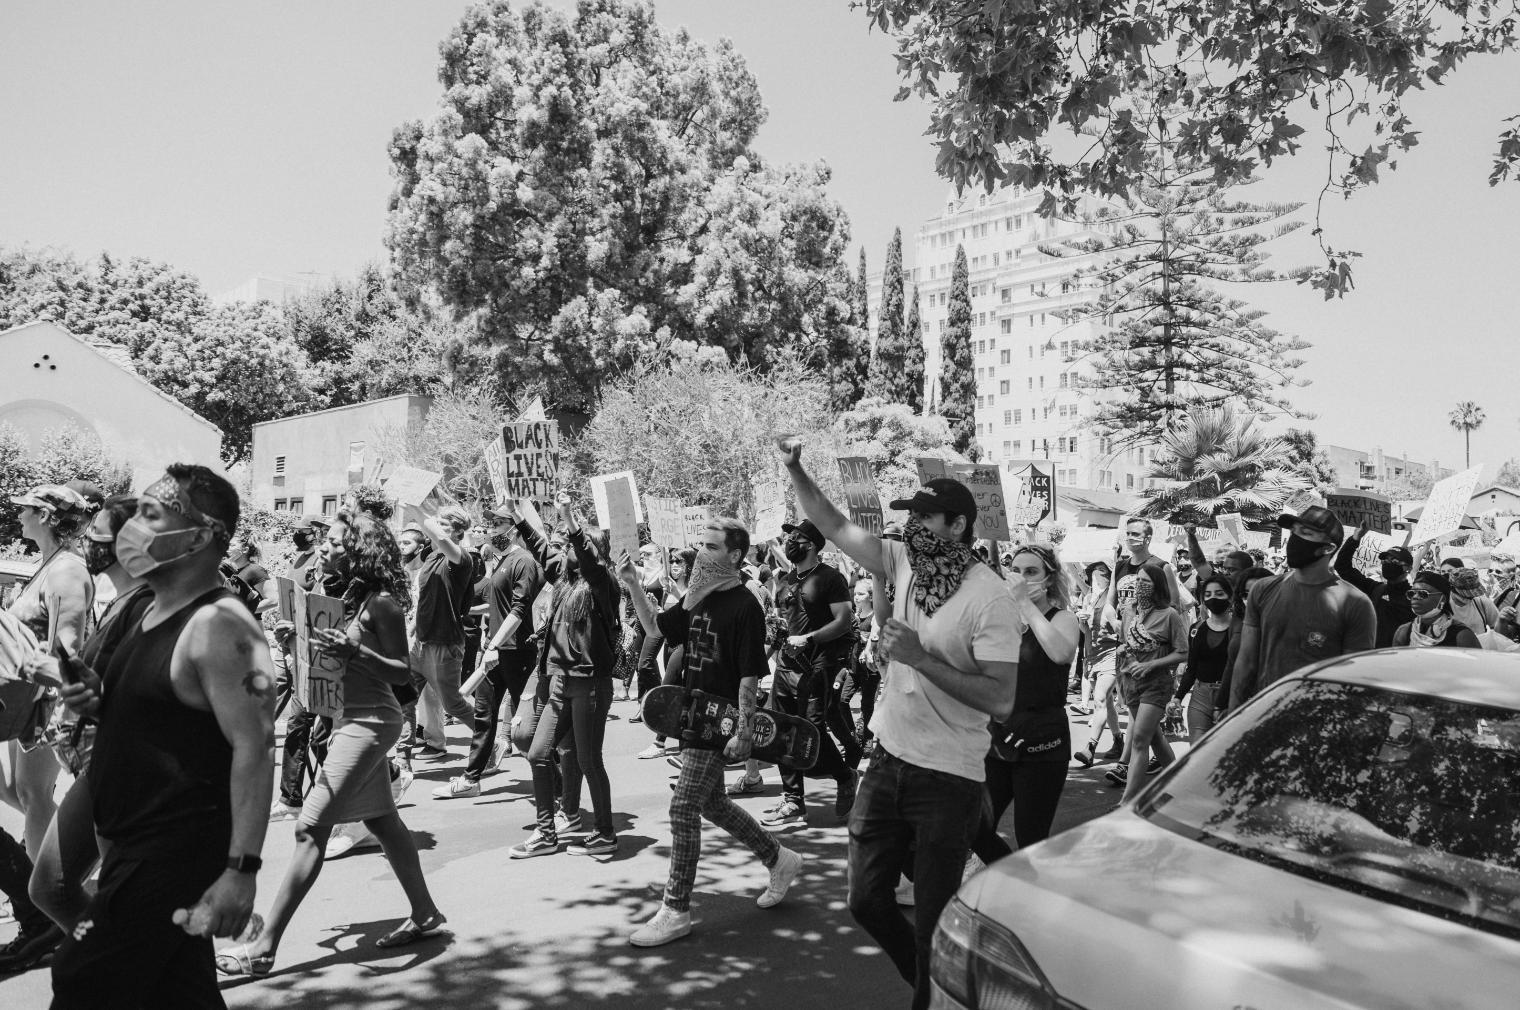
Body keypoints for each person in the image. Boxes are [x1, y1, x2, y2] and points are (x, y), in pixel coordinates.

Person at [779, 440, 1022, 1010]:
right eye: (910, 515)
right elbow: (832, 523)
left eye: (926, 517)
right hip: (888, 760)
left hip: (950, 778)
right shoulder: (901, 559)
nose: (912, 526)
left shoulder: (991, 599)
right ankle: (936, 989)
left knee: (935, 924)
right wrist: (795, 468)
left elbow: (1002, 700)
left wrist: (918, 657)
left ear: (958, 526)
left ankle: (934, 996)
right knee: (866, 901)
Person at [48, 465, 276, 1009]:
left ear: (198, 536)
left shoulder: (221, 625)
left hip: (170, 858)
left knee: (79, 977)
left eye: (151, 515)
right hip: (131, 846)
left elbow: (256, 746)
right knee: (183, 995)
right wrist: (96, 697)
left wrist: (241, 871)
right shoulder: (151, 610)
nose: (131, 529)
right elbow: (160, 711)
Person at [215, 512, 445, 977]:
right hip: (345, 718)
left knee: (309, 828)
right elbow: (326, 665)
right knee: (383, 822)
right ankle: (425, 914)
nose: (324, 547)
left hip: (372, 722)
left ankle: (263, 947)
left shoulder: (382, 603)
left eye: (336, 543)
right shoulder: (342, 597)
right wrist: (293, 641)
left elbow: (402, 672)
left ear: (359, 550)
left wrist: (356, 650)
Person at [618, 517, 803, 947]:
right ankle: (779, 858)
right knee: (712, 803)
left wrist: (744, 731)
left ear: (735, 555)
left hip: (722, 723)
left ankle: (676, 909)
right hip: (693, 717)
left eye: (712, 546)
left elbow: (749, 675)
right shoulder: (696, 597)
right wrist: (631, 583)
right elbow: (654, 628)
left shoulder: (745, 605)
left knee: (683, 807)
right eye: (701, 544)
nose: (702, 552)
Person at [26, 496, 154, 938]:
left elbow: (138, 694)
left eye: (96, 534)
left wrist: (54, 672)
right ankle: (113, 957)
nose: (86, 540)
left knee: (127, 894)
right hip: (98, 763)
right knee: (49, 887)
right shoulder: (122, 601)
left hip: (121, 768)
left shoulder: (147, 606)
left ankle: (131, 963)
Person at [508, 494, 620, 859]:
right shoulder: (563, 578)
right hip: (558, 682)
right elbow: (542, 548)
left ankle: (605, 833)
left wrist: (570, 518)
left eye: (572, 544)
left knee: (589, 761)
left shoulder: (602, 584)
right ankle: (546, 834)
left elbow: (588, 559)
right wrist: (517, 516)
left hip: (589, 685)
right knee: (538, 754)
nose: (565, 549)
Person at [3, 485, 94, 859]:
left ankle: (50, 882)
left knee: (33, 793)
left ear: (45, 516)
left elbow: (66, 650)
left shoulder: (67, 572)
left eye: (26, 508)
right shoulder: (50, 563)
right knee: (12, 787)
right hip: (24, 698)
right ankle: (79, 851)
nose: (19, 514)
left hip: (45, 701)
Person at [974, 543, 1079, 860]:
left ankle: (1027, 882)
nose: (1020, 578)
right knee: (974, 826)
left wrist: (1024, 602)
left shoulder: (1063, 618)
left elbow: (1061, 653)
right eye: (1016, 571)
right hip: (998, 738)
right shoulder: (1000, 619)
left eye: (1031, 572)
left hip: (1042, 742)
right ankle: (1010, 876)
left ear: (1049, 579)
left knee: (1031, 837)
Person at [436, 502, 545, 798]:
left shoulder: (524, 561)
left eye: (498, 524)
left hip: (516, 652)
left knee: (530, 721)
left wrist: (494, 644)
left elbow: (519, 610)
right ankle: (471, 779)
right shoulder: (501, 561)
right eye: (491, 523)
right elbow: (500, 606)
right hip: (494, 651)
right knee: (484, 715)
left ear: (514, 528)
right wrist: (469, 613)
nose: (491, 529)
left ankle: (556, 775)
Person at [760, 519, 859, 828]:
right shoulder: (785, 579)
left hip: (818, 667)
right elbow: (782, 626)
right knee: (780, 730)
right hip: (785, 668)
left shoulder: (830, 578)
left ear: (812, 545)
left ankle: (845, 776)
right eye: (788, 536)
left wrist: (809, 639)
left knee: (810, 732)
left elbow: (843, 620)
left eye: (796, 537)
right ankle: (793, 800)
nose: (789, 541)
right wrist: (764, 658)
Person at [1227, 507, 1377, 711]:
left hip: (1318, 721)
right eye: (1294, 531)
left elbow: (1353, 681)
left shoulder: (1356, 604)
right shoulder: (1262, 590)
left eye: (1305, 533)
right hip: (1265, 715)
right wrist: (1234, 714)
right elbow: (1246, 661)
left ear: (1327, 548)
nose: (1295, 538)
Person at [1107, 562, 1188, 803]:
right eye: (1138, 580)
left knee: (1140, 740)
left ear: (1157, 586)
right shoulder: (1129, 611)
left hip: (1156, 684)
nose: (1139, 585)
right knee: (1154, 737)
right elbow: (1127, 643)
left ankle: (1128, 801)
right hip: (1130, 681)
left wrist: (1151, 665)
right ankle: (1179, 783)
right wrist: (1123, 650)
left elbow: (1183, 652)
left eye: (1145, 581)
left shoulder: (1169, 615)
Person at [399, 508, 476, 758]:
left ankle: (490, 741)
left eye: (444, 524)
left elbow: (439, 536)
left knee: (453, 704)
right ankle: (402, 758)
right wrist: (410, 633)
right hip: (420, 643)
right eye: (437, 523)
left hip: (445, 643)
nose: (436, 528)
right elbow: (424, 600)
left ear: (458, 532)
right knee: (404, 698)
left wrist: (417, 509)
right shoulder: (432, 556)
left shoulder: (462, 559)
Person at [1173, 574, 1233, 743]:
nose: (1213, 598)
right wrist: (1178, 697)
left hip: (1231, 696)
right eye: (1208, 594)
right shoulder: (1196, 629)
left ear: (1230, 597)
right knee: (1197, 750)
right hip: (1200, 697)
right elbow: (1191, 669)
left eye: (1219, 593)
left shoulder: (1241, 628)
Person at [1333, 525, 1415, 648]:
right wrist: (1355, 539)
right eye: (1385, 560)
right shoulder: (1375, 589)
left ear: (1408, 568)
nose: (1388, 563)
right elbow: (1342, 567)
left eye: (1394, 561)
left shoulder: (1415, 598)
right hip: (1371, 655)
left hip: (1400, 656)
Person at [1392, 571, 1482, 649]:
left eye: (1423, 593)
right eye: (1411, 593)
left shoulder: (1462, 636)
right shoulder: (1403, 631)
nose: (1415, 597)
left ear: (1442, 599)